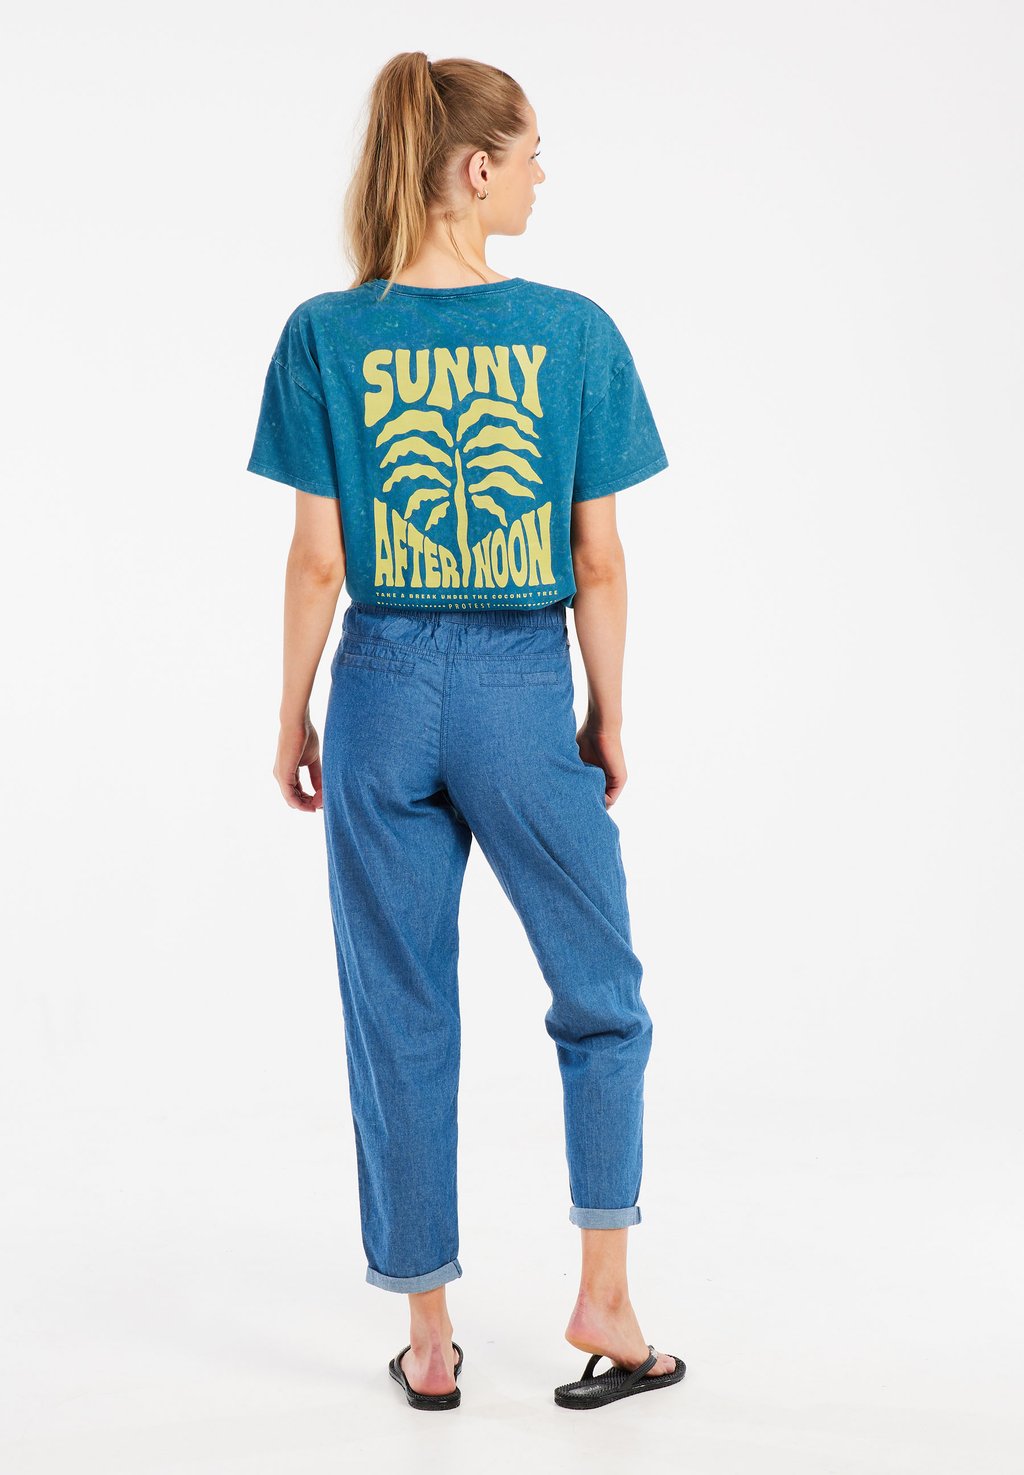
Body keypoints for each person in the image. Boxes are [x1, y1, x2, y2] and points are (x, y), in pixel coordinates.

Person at [245, 50, 685, 1413]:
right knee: (600, 996)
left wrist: (294, 711)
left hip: (377, 688)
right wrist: (606, 712)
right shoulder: (572, 334)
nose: (545, 177)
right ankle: (604, 1299)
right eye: (533, 153)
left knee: (399, 1008)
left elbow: (318, 561)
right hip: (515, 688)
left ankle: (429, 1338)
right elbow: (596, 559)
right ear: (476, 168)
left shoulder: (325, 334)